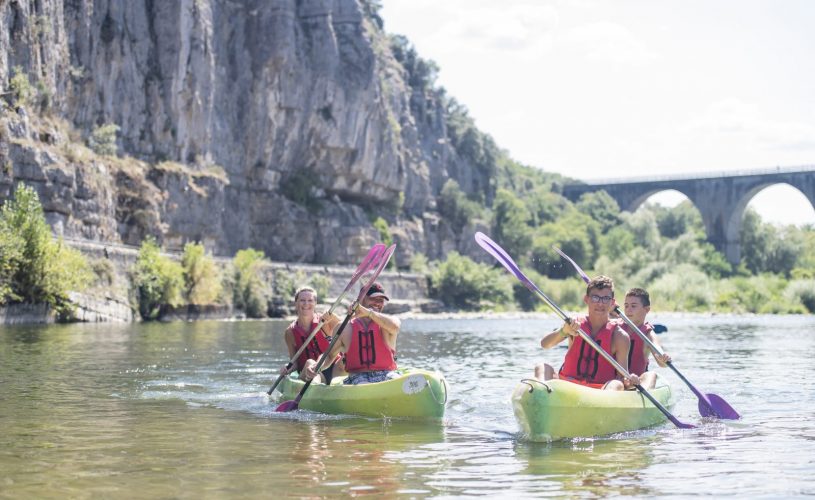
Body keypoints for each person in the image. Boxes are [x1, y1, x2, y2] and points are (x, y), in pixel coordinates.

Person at [534, 275, 639, 391]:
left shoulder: (620, 337)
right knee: (542, 367)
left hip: (598, 391)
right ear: (586, 299)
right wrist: (564, 331)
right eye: (595, 298)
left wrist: (630, 382)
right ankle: (541, 399)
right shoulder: (574, 325)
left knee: (616, 385)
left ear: (612, 303)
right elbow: (545, 344)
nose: (600, 303)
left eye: (605, 299)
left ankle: (600, 407)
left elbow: (623, 378)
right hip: (567, 386)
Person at [316, 282, 401, 385]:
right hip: (358, 376)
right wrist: (316, 367)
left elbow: (395, 326)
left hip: (386, 374)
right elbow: (329, 356)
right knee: (363, 384)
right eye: (373, 299)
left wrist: (368, 312)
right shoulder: (344, 327)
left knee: (397, 380)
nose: (377, 303)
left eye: (381, 300)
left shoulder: (389, 323)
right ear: (361, 300)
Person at [281, 287, 343, 384]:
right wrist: (287, 368)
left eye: (310, 300)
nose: (306, 303)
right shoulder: (290, 332)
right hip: (309, 372)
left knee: (346, 361)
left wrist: (334, 317)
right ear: (296, 303)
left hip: (333, 369)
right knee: (310, 362)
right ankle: (314, 389)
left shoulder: (325, 321)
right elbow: (295, 362)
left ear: (315, 303)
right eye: (302, 300)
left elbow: (346, 328)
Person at [620, 288, 671, 389]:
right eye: (626, 306)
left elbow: (659, 356)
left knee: (652, 374)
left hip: (637, 382)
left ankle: (643, 397)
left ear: (646, 309)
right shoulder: (616, 327)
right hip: (617, 380)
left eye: (633, 306)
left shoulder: (648, 334)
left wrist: (663, 359)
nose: (628, 310)